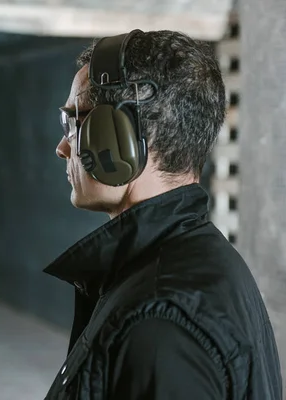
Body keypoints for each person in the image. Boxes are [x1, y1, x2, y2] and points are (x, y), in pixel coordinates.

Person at [43, 29, 282, 399]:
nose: (63, 147)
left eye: (75, 123)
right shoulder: (194, 264)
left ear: (117, 135)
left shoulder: (160, 322)